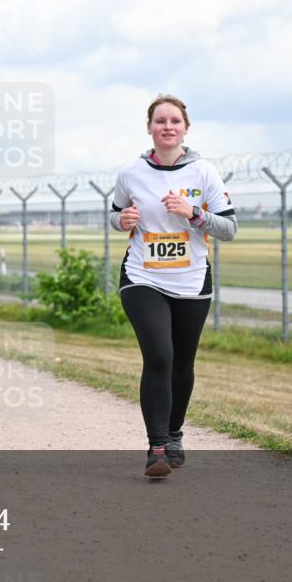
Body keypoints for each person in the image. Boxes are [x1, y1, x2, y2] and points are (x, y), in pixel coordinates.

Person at [109, 95, 237, 477]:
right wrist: (123, 221)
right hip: (143, 277)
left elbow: (229, 228)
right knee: (160, 356)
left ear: (186, 128)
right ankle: (157, 447)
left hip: (192, 280)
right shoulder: (131, 172)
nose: (167, 127)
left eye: (175, 121)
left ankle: (176, 432)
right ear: (149, 127)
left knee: (182, 363)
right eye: (160, 120)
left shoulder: (204, 173)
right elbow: (116, 217)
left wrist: (194, 213)